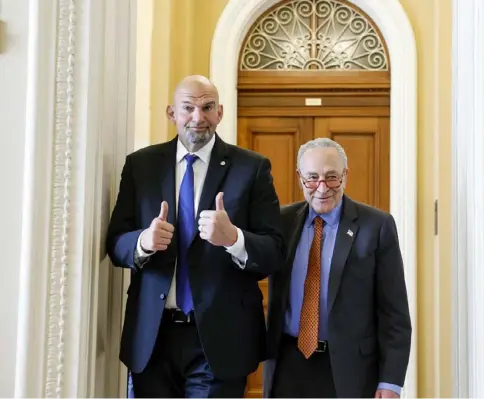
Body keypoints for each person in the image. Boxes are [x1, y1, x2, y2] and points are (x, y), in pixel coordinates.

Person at [106, 75, 284, 398]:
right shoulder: (141, 166)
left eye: (207, 107)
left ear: (220, 113)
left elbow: (274, 250)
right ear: (172, 113)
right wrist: (143, 242)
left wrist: (234, 239)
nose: (198, 117)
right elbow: (115, 241)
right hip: (153, 336)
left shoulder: (252, 169)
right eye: (188, 108)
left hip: (221, 339)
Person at [263, 138, 412, 398]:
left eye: (332, 177)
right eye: (312, 178)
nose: (322, 188)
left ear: (346, 175)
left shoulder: (376, 226)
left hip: (350, 370)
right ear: (300, 178)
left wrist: (390, 382)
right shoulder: (281, 222)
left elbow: (394, 313)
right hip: (288, 364)